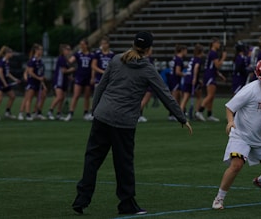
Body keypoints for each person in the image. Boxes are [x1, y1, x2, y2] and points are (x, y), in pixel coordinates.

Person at [72, 31, 193, 215]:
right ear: (149, 48)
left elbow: (101, 87)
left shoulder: (116, 59)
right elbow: (164, 94)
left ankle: (81, 199)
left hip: (102, 116)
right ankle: (126, 203)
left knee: (92, 159)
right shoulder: (147, 68)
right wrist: (181, 118)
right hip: (123, 122)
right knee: (123, 164)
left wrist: (96, 111)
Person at [212, 57, 261, 210]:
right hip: (242, 134)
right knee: (236, 165)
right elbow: (230, 107)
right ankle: (219, 198)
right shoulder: (250, 89)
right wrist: (230, 122)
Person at [195, 37, 227, 122]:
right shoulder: (213, 53)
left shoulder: (212, 53)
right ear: (214, 44)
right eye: (218, 43)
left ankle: (209, 114)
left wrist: (220, 75)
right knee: (210, 95)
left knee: (211, 96)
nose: (219, 45)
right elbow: (217, 65)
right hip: (210, 76)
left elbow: (213, 67)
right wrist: (223, 57)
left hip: (210, 74)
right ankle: (200, 111)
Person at [65, 39, 93, 121]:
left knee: (87, 96)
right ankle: (70, 113)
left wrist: (92, 77)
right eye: (80, 44)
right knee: (76, 95)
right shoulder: (78, 54)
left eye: (83, 44)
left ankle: (86, 113)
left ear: (87, 45)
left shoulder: (91, 55)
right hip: (79, 77)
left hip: (87, 77)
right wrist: (67, 56)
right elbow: (70, 61)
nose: (81, 46)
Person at [0, 46, 20, 121]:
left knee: (12, 96)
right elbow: (0, 74)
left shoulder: (7, 62)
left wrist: (15, 79)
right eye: (11, 53)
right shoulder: (2, 62)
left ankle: (7, 112)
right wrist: (4, 83)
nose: (12, 54)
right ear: (7, 53)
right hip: (0, 82)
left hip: (5, 82)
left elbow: (8, 73)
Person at [18, 44, 46, 121]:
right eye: (40, 50)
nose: (42, 51)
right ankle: (26, 114)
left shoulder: (40, 60)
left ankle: (36, 113)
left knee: (42, 96)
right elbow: (30, 72)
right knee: (28, 98)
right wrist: (38, 77)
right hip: (32, 82)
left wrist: (42, 79)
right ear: (36, 50)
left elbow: (40, 72)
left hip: (38, 82)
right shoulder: (32, 60)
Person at [47, 44, 75, 120]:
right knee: (59, 97)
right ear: (63, 50)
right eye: (67, 49)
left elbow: (66, 71)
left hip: (64, 81)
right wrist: (72, 69)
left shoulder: (66, 59)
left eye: (69, 49)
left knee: (62, 98)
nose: (69, 51)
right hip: (58, 81)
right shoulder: (61, 58)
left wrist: (70, 77)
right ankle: (50, 111)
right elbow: (63, 71)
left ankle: (59, 113)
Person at [180, 44, 204, 116]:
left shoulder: (192, 58)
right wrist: (194, 78)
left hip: (187, 78)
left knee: (186, 97)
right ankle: (197, 112)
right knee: (199, 96)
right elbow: (196, 68)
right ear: (200, 52)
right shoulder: (198, 59)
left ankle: (180, 113)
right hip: (192, 80)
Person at [167, 45, 187, 121]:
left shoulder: (175, 57)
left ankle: (179, 113)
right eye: (185, 50)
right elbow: (177, 72)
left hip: (172, 79)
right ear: (182, 50)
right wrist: (185, 75)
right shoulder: (179, 59)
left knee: (177, 97)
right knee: (175, 98)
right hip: (175, 80)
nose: (186, 52)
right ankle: (172, 114)